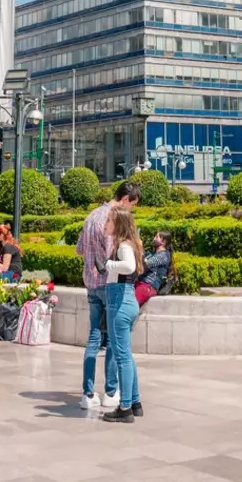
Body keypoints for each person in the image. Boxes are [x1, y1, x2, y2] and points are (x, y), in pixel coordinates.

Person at [77, 180, 143, 410]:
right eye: (133, 205)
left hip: (90, 283)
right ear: (126, 199)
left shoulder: (91, 215)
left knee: (94, 339)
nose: (132, 210)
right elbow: (112, 256)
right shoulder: (113, 219)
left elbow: (79, 249)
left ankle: (87, 393)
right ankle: (111, 392)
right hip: (109, 285)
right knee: (115, 342)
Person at [100, 207, 145, 423]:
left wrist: (108, 264)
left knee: (122, 356)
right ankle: (134, 402)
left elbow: (128, 266)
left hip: (119, 301)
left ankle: (125, 407)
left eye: (108, 220)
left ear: (118, 223)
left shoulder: (124, 246)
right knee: (126, 354)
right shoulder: (130, 244)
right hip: (127, 299)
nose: (105, 223)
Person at [141, 231, 174, 296]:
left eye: (156, 237)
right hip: (142, 283)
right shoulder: (152, 254)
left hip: (149, 285)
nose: (153, 239)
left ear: (163, 242)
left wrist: (139, 247)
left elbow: (145, 264)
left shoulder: (163, 255)